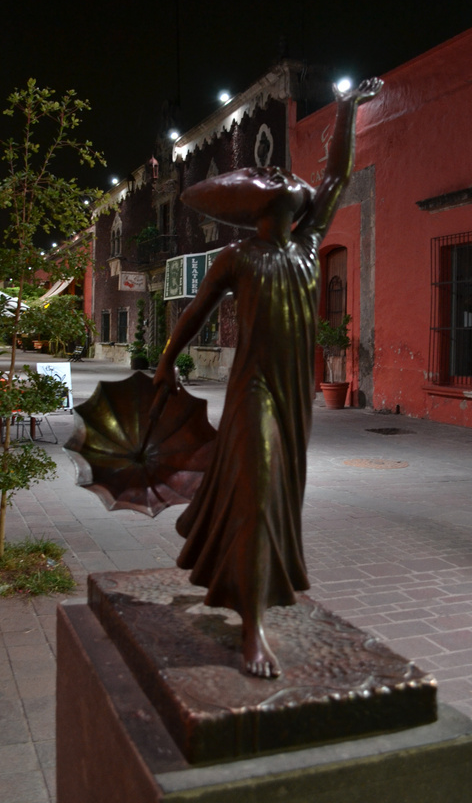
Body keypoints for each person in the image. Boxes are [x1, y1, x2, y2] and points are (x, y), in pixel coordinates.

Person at [153, 78, 383, 677]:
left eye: (288, 178)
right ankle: (252, 629)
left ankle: (248, 592)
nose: (288, 178)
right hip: (253, 390)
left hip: (294, 399)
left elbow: (334, 176)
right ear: (255, 203)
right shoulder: (236, 258)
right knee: (256, 497)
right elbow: (194, 313)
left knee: (278, 500)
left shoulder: (309, 246)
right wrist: (164, 361)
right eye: (273, 178)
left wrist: (351, 109)